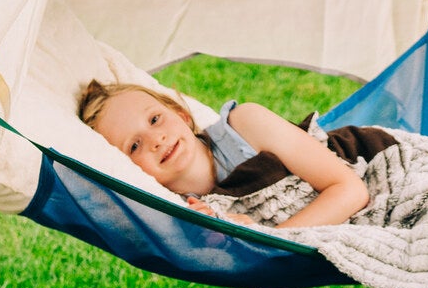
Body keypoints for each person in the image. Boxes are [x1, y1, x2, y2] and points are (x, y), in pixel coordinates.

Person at [77, 79, 394, 229]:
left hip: (373, 158)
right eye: (135, 146)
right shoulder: (182, 209)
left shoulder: (246, 125)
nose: (155, 140)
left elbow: (350, 188)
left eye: (155, 119)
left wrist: (273, 239)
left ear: (181, 114)